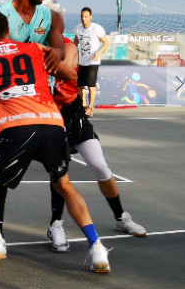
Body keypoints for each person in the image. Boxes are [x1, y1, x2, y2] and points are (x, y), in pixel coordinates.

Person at [0, 10, 111, 276]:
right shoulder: (33, 47)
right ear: (8, 31)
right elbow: (68, 73)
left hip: (17, 127)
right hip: (53, 124)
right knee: (64, 185)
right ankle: (97, 247)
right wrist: (62, 65)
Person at [0, 0, 65, 233]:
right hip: (7, 106)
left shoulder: (52, 18)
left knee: (58, 172)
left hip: (44, 103)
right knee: (0, 170)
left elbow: (59, 52)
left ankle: (56, 224)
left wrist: (43, 52)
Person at [45, 36, 146, 252]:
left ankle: (121, 217)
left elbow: (70, 63)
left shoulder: (64, 44)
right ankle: (56, 224)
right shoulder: (30, 46)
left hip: (77, 121)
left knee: (101, 168)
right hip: (52, 123)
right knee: (60, 176)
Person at [74, 7, 109, 117]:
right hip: (82, 61)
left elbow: (106, 43)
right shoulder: (78, 29)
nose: (83, 19)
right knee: (80, 85)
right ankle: (82, 106)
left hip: (93, 61)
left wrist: (98, 53)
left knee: (90, 84)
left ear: (90, 17)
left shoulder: (96, 28)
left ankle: (90, 108)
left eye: (86, 16)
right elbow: (75, 44)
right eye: (82, 16)